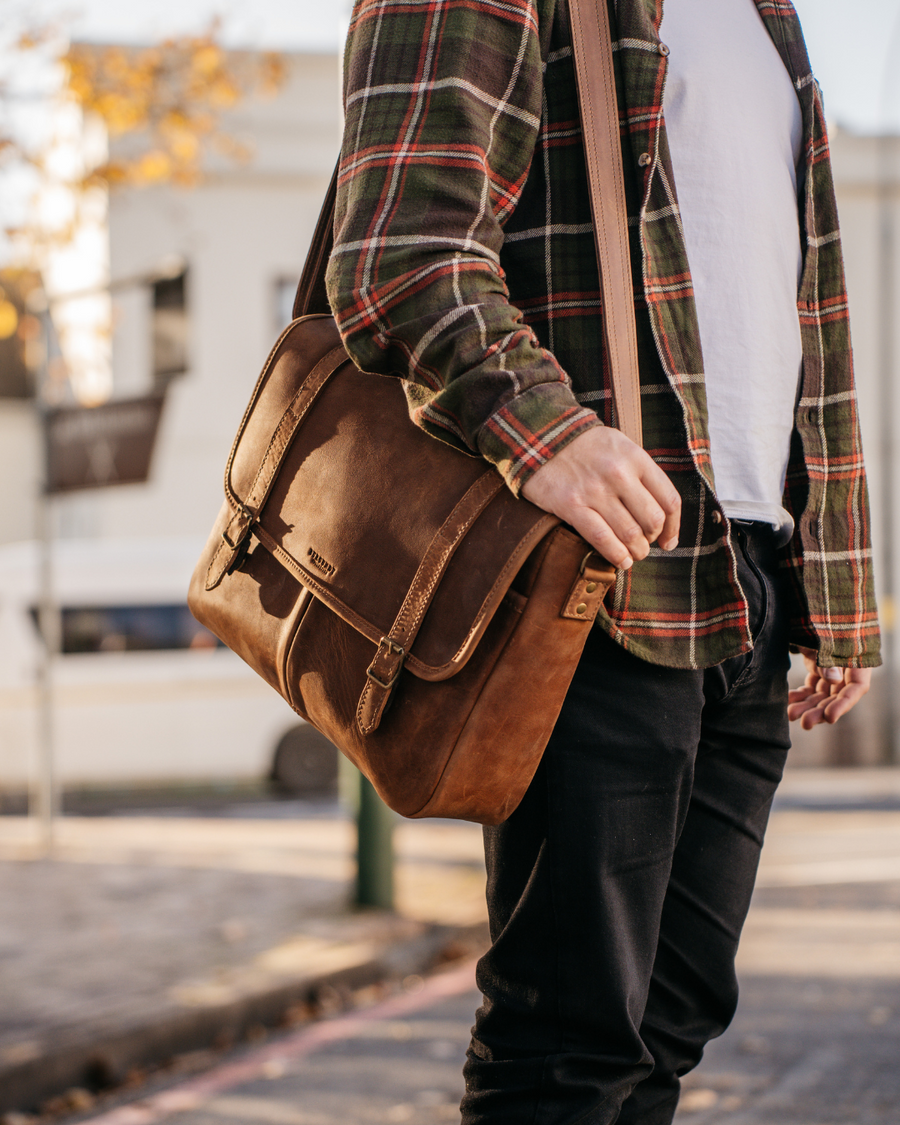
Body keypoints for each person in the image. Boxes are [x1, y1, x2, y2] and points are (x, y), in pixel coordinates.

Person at [325, 0, 881, 1120]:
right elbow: (401, 252)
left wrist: (837, 584)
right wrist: (549, 437)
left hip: (748, 575)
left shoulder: (770, 16)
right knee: (566, 1046)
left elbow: (804, 306)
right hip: (588, 576)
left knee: (670, 1025)